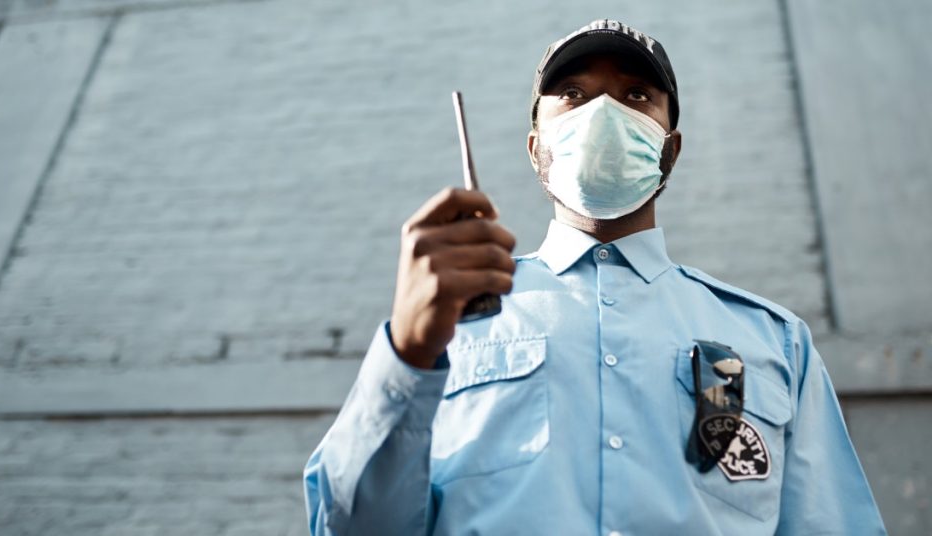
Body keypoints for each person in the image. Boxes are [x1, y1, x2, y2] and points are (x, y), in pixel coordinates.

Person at [303, 19, 886, 535]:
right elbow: (353, 525)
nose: (603, 112)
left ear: (670, 150)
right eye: (574, 94)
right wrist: (407, 355)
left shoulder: (773, 342)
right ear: (537, 149)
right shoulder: (448, 323)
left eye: (636, 95)